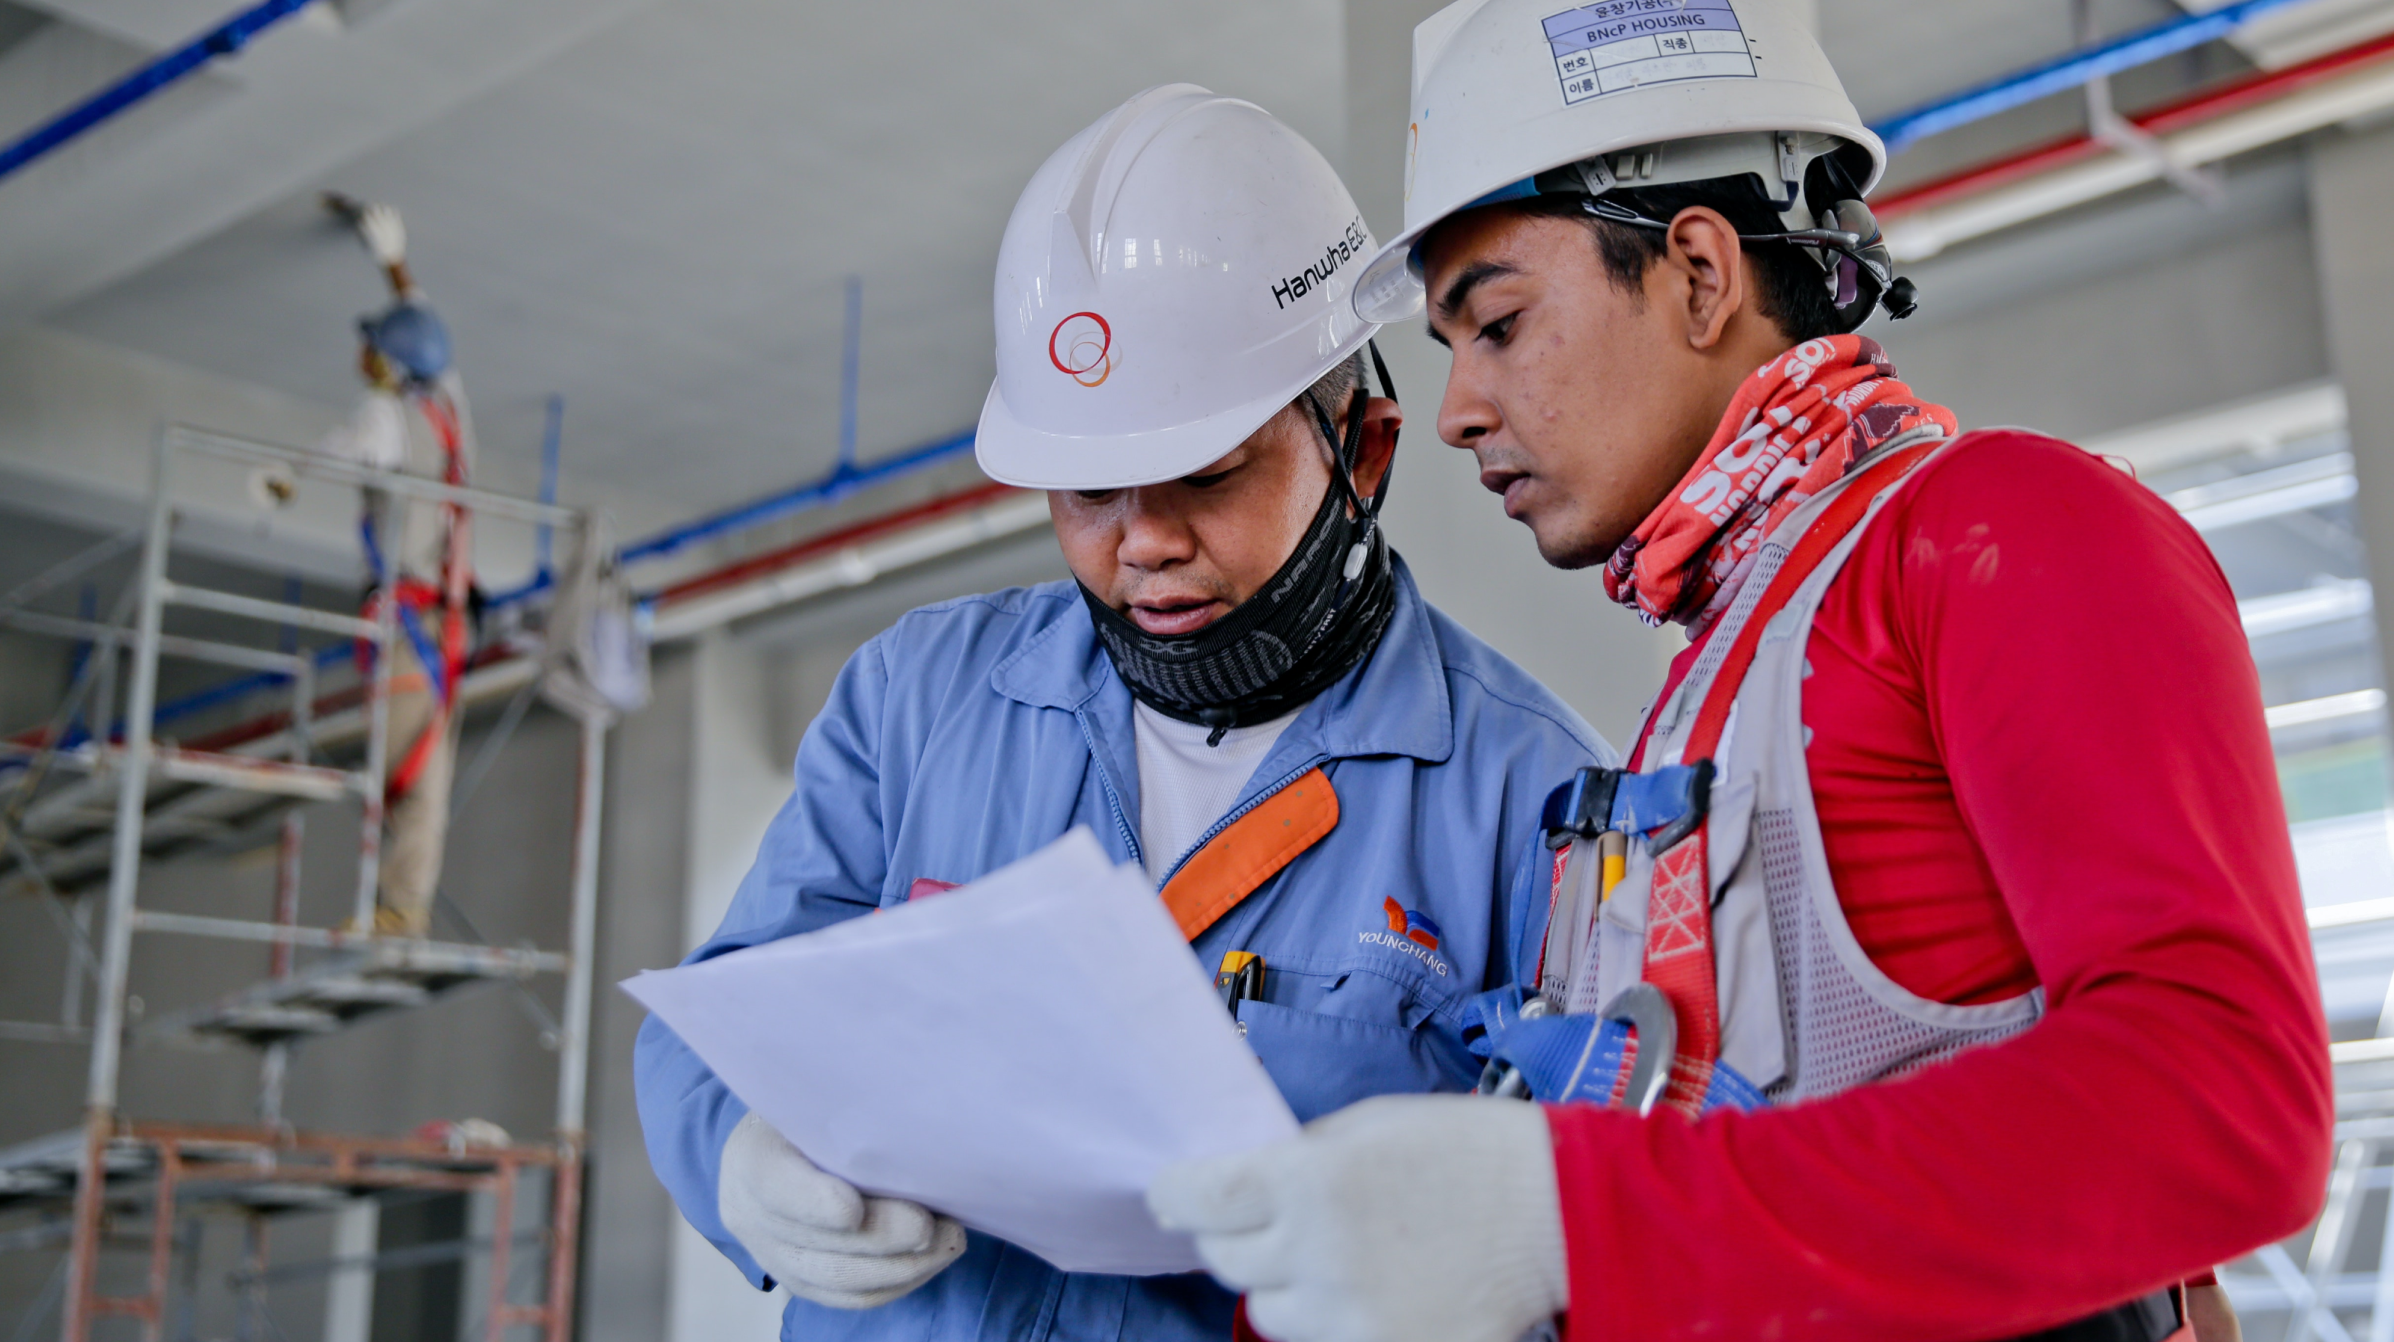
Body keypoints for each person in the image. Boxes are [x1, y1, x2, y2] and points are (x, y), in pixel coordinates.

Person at [1146, 4, 2331, 1340]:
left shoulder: (2003, 533)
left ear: (1701, 275)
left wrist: (1574, 1217)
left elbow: (2224, 1100)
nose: (1460, 410)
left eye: (1498, 324)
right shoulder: (1711, 688)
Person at [634, 84, 1612, 1342]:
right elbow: (725, 1014)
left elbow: (1591, 1225)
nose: (1143, 541)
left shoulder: (1529, 801)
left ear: (1361, 452)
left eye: (1208, 474)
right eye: (1088, 488)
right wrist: (738, 1159)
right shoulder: (914, 704)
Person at [317, 195, 477, 939]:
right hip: (438, 620)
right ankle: (399, 908)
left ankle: (396, 912)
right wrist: (394, 265)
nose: (364, 354)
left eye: (373, 347)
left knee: (402, 774)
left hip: (410, 624)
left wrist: (281, 479)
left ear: (386, 363)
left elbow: (338, 449)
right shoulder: (446, 411)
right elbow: (429, 340)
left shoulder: (386, 420)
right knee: (417, 768)